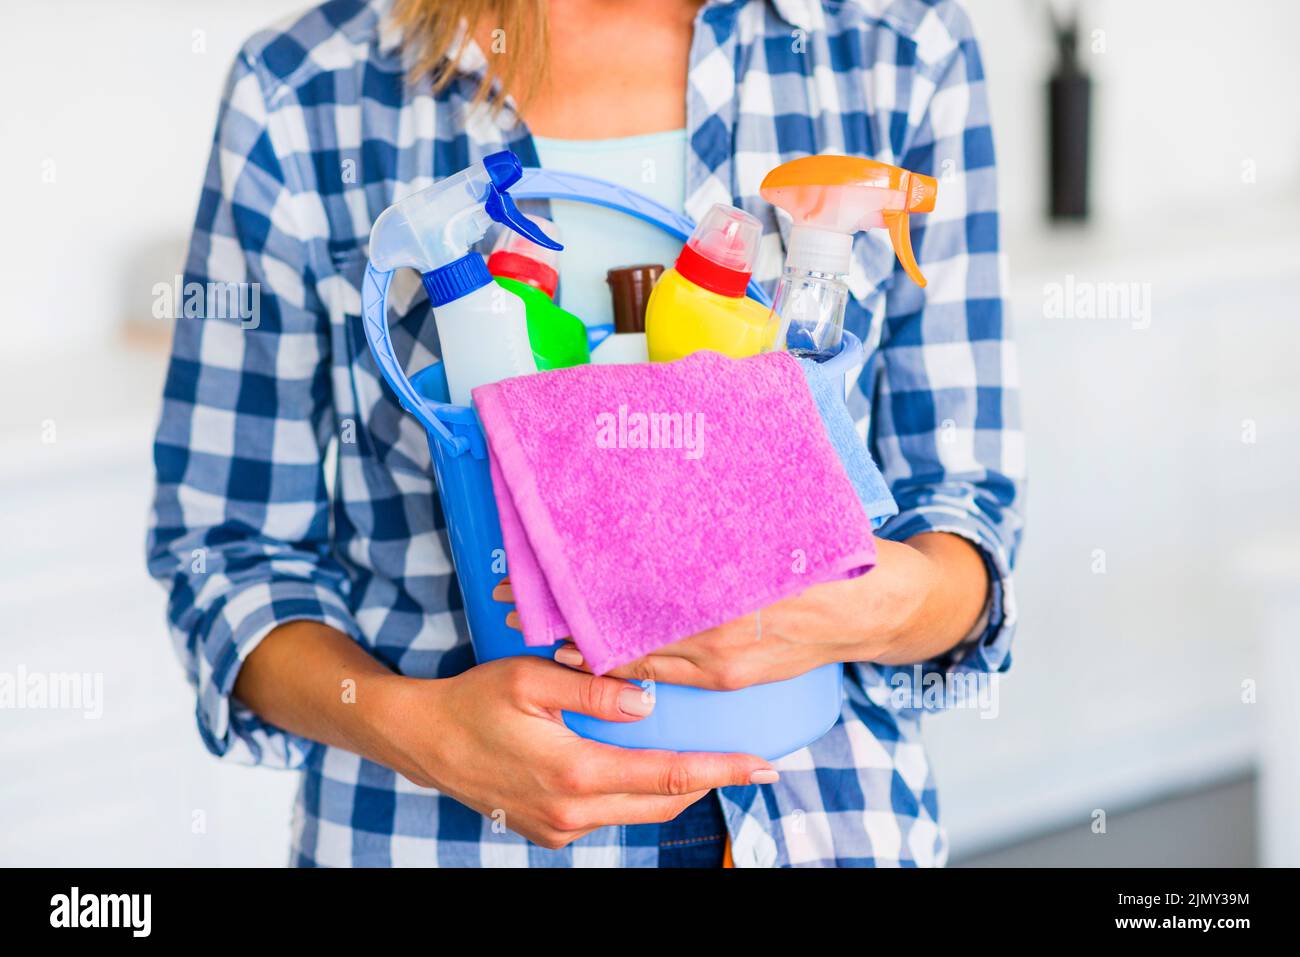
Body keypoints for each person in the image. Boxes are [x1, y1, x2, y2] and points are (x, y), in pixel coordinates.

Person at [147, 0, 1024, 867]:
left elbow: (965, 523)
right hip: (438, 837)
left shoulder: (895, 48)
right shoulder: (307, 91)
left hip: (821, 816)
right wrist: (424, 730)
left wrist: (861, 607)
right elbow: (226, 552)